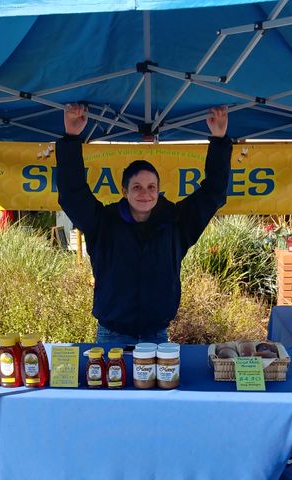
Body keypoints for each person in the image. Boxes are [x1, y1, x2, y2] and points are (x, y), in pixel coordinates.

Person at [56, 104, 231, 345]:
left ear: (159, 191)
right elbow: (72, 194)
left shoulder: (176, 224)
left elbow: (214, 193)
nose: (145, 194)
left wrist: (219, 140)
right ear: (124, 191)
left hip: (156, 336)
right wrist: (71, 138)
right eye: (137, 187)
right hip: (111, 336)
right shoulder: (103, 223)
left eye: (151, 187)